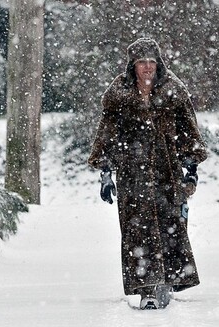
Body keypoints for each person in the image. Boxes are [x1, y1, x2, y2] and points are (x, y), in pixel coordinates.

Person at [88, 37, 208, 310]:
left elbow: (189, 132)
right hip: (133, 173)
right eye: (142, 62)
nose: (147, 67)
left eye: (151, 61)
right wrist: (106, 173)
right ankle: (147, 289)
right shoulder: (118, 94)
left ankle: (166, 280)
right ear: (132, 65)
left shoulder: (174, 91)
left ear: (159, 63)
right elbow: (107, 135)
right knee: (137, 231)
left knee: (171, 227)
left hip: (167, 171)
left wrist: (191, 169)